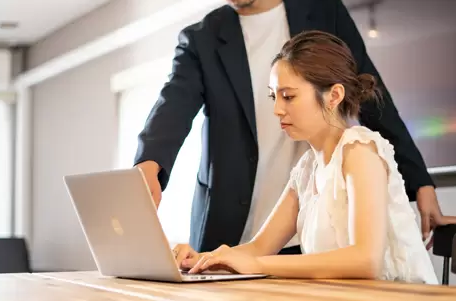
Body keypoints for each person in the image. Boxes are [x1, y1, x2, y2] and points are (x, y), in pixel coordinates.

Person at [134, 0, 452, 254]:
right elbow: (173, 105)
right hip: (231, 231)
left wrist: (420, 182)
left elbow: (373, 100)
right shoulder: (201, 39)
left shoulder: (326, 14)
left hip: (312, 230)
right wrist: (150, 163)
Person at [171, 30, 439, 284]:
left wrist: (258, 265)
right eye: (274, 96)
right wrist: (202, 260)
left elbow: (366, 260)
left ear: (334, 95)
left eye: (288, 96)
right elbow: (259, 247)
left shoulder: (359, 150)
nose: (277, 109)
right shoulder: (307, 168)